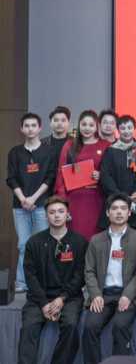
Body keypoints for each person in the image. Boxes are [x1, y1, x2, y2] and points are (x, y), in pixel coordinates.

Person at [17, 195, 87, 364]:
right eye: (52, 212)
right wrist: (43, 303)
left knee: (71, 324)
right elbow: (30, 277)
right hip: (39, 297)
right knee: (28, 326)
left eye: (61, 212)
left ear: (67, 215)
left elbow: (80, 276)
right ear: (46, 216)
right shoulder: (34, 242)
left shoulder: (79, 242)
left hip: (69, 297)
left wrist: (63, 298)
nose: (57, 215)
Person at [82, 194, 136, 364]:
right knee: (89, 327)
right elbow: (89, 271)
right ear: (107, 213)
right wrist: (95, 295)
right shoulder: (96, 240)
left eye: (123, 209)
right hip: (103, 294)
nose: (119, 212)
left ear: (129, 213)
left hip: (128, 294)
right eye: (114, 208)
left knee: (120, 325)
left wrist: (128, 295)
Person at [8, 112, 57, 292]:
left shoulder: (49, 151)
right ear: (22, 129)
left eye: (33, 125)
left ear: (39, 128)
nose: (30, 129)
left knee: (44, 244)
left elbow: (51, 176)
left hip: (42, 204)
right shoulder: (15, 152)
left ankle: (44, 283)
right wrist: (23, 199)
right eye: (26, 126)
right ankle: (22, 283)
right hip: (20, 206)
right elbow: (11, 179)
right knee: (24, 245)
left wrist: (34, 198)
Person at [56, 110, 111, 240]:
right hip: (74, 200)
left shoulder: (106, 145)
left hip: (97, 200)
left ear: (97, 127)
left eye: (91, 125)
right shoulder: (69, 145)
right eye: (84, 124)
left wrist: (101, 175)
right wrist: (62, 201)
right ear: (79, 125)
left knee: (96, 239)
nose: (87, 128)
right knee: (74, 239)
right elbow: (61, 174)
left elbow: (111, 172)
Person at [98, 114, 136, 231]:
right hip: (115, 200)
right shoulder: (111, 150)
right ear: (118, 130)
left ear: (135, 129)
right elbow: (105, 175)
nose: (126, 131)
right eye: (123, 128)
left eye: (129, 128)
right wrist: (119, 196)